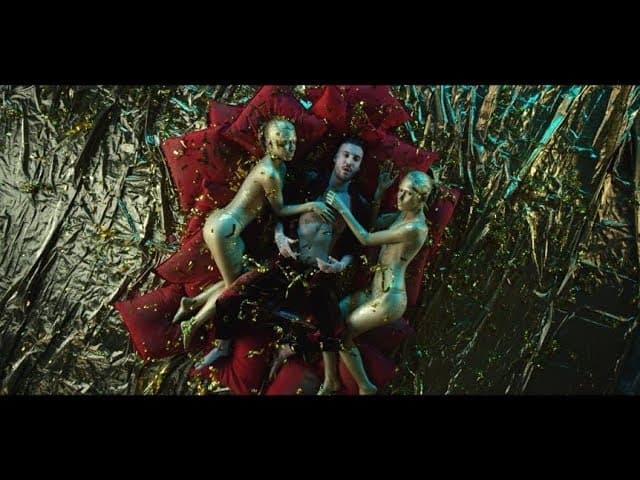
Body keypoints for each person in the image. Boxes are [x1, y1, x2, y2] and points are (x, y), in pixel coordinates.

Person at [195, 138, 371, 372]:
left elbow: (354, 249)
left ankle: (288, 348)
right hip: (286, 261)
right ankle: (223, 345)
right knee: (229, 298)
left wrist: (340, 265)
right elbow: (279, 214)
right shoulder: (310, 181)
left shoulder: (358, 204)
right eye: (345, 155)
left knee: (333, 331)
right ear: (335, 157)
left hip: (318, 274)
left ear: (359, 166)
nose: (349, 162)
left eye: (355, 159)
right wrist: (279, 237)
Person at [175, 118, 334, 353]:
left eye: (292, 142)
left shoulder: (279, 167)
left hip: (223, 224)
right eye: (282, 143)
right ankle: (194, 323)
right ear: (269, 145)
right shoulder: (270, 173)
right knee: (234, 290)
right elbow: (279, 210)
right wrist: (312, 205)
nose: (290, 148)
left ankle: (193, 303)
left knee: (237, 281)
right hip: (225, 231)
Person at [321, 169, 435, 395]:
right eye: (400, 191)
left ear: (421, 198)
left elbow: (366, 238)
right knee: (331, 320)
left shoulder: (415, 228)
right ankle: (330, 380)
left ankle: (366, 387)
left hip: (389, 298)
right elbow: (374, 227)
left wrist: (342, 208)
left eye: (407, 194)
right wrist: (380, 193)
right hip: (374, 290)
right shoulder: (403, 215)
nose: (400, 197)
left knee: (343, 335)